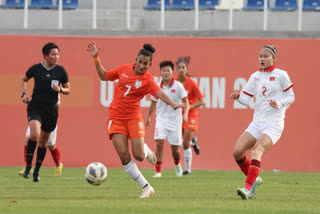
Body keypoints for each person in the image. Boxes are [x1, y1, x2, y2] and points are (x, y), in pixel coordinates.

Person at [87, 42, 184, 199]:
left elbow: (160, 94)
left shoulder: (148, 80)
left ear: (150, 64)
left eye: (145, 63)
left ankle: (145, 150)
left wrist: (173, 104)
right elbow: (104, 76)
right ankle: (146, 187)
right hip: (116, 118)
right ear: (136, 60)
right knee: (124, 156)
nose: (141, 65)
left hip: (133, 118)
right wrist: (96, 58)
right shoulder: (123, 69)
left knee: (138, 156)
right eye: (139, 61)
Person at [230, 45, 295, 200]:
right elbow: (246, 100)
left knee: (256, 150)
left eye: (266, 56)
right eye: (260, 56)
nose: (262, 59)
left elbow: (291, 96)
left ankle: (247, 188)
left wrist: (278, 104)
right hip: (257, 122)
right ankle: (253, 180)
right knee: (237, 152)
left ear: (273, 58)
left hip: (273, 124)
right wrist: (238, 97)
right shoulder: (255, 76)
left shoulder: (281, 75)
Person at [20, 42, 70, 182]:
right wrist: (23, 94)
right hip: (35, 107)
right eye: (53, 54)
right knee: (34, 135)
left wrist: (60, 89)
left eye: (58, 54)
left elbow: (68, 90)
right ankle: (28, 166)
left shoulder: (61, 71)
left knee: (43, 143)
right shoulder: (36, 68)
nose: (56, 57)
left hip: (51, 110)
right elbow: (23, 79)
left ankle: (36, 172)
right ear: (46, 56)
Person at [146, 60, 189, 178]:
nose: (165, 73)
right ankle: (158, 171)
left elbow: (186, 101)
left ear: (172, 72)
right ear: (160, 72)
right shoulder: (156, 86)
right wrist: (148, 117)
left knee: (175, 150)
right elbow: (153, 103)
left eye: (168, 71)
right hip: (161, 120)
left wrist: (185, 114)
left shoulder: (178, 86)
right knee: (159, 143)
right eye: (163, 71)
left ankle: (177, 165)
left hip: (175, 121)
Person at [176, 56, 205, 175]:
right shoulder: (174, 83)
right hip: (178, 116)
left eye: (183, 67)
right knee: (178, 143)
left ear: (187, 69)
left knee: (185, 143)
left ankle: (188, 170)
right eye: (179, 68)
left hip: (191, 115)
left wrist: (189, 107)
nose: (181, 70)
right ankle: (193, 142)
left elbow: (201, 102)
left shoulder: (192, 83)